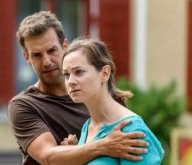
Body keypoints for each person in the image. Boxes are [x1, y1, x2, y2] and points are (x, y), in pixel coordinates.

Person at [8, 10, 149, 165]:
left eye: (52, 50)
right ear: (26, 57)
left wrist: (79, 149)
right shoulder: (24, 105)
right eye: (36, 55)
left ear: (65, 46)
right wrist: (102, 145)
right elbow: (47, 157)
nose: (46, 61)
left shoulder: (100, 95)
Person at [62, 37, 164, 164]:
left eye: (79, 72)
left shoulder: (133, 130)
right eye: (66, 74)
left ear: (105, 73)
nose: (70, 81)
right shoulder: (88, 127)